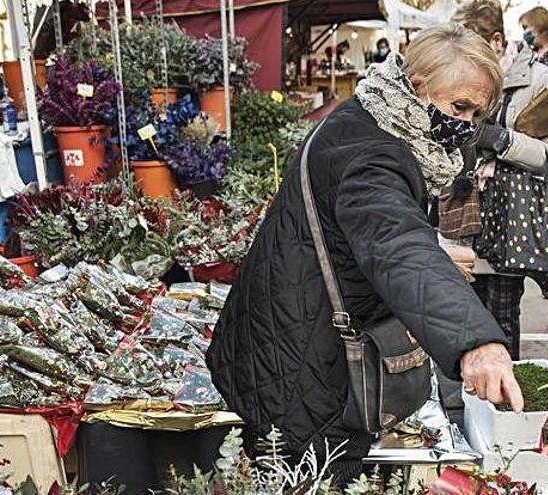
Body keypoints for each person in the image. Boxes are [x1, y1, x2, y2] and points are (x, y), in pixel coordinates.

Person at [207, 23, 523, 484]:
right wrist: (474, 341)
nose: (467, 125)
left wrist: (433, 246)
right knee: (311, 478)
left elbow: (371, 229)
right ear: (416, 88)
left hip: (284, 341)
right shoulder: (374, 154)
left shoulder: (367, 117)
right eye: (459, 107)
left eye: (477, 114)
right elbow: (396, 243)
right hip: (305, 370)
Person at [450, 0, 548, 357]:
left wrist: (504, 141)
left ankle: (500, 403)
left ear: (498, 42)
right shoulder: (461, 80)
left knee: (501, 317)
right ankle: (466, 405)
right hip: (461, 213)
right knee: (459, 315)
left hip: (511, 219)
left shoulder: (541, 80)